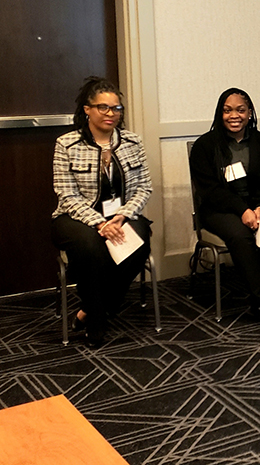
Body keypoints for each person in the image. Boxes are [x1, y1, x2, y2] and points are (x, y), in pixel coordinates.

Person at [51, 76, 152, 348]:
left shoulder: (132, 142)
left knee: (139, 241)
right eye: (103, 108)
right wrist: (99, 223)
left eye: (116, 108)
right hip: (76, 218)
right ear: (87, 109)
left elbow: (144, 187)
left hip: (121, 215)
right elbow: (67, 195)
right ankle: (98, 318)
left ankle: (94, 309)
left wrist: (124, 215)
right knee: (93, 247)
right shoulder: (67, 144)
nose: (111, 114)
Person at [189, 88, 260, 327]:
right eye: (227, 110)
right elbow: (209, 190)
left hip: (258, 204)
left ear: (250, 113)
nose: (234, 115)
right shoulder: (205, 146)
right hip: (219, 208)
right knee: (240, 234)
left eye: (240, 110)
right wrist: (241, 210)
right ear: (219, 113)